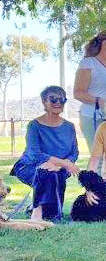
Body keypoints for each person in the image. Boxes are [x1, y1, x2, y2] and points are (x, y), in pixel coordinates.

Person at [10, 86, 79, 221]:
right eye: (53, 99)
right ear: (44, 102)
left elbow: (74, 152)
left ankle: (40, 210)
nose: (58, 102)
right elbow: (35, 153)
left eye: (62, 99)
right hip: (29, 166)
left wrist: (60, 165)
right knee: (47, 173)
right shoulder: (34, 125)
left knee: (54, 173)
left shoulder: (69, 126)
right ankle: (38, 212)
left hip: (60, 167)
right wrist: (62, 163)